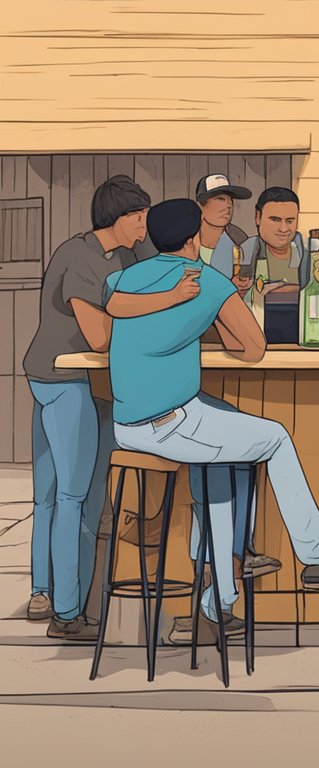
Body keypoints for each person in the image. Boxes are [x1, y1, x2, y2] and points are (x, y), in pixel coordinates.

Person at [105, 199, 319, 642]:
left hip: (128, 422)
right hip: (170, 423)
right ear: (193, 238)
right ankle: (318, 559)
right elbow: (254, 348)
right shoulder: (207, 280)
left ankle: (218, 602)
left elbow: (117, 307)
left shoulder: (122, 278)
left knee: (224, 453)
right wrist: (219, 310)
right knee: (274, 438)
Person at [21, 176, 197, 640]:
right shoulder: (78, 257)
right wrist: (168, 305)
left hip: (96, 383)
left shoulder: (130, 251)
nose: (145, 226)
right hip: (62, 379)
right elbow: (99, 336)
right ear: (117, 219)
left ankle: (51, 591)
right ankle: (64, 610)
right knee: (71, 496)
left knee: (68, 494)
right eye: (138, 218)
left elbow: (155, 281)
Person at [235, 187, 309, 343]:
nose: (283, 229)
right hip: (254, 341)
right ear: (258, 217)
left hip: (301, 343)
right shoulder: (241, 255)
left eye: (289, 221)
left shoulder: (309, 259)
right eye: (275, 220)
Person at [193, 173, 252, 290]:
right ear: (201, 205)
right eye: (220, 199)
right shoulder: (185, 239)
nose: (229, 205)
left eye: (230, 200)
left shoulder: (239, 239)